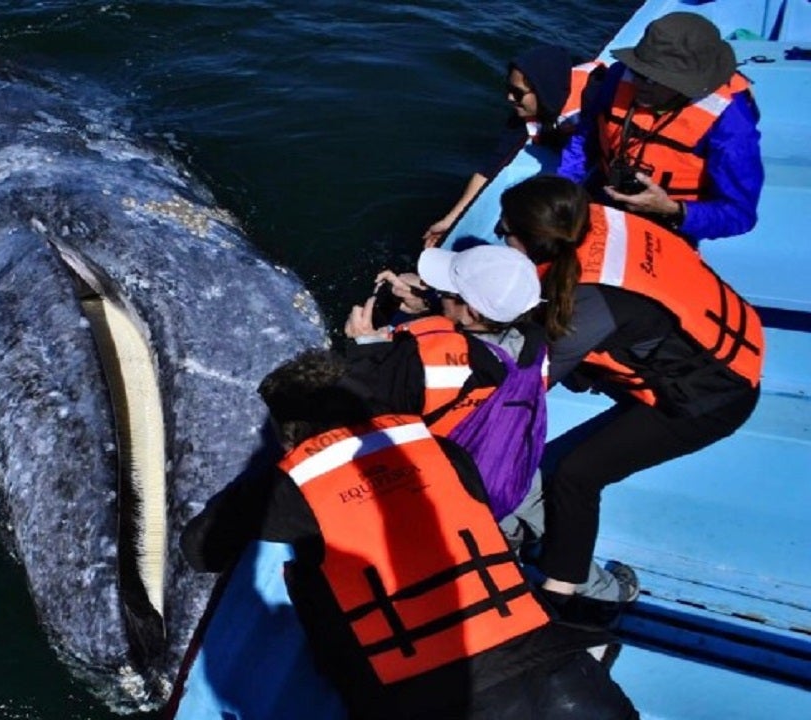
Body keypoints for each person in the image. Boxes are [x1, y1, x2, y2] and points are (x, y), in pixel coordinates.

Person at [180, 349, 639, 720]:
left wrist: (262, 479)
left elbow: (200, 549)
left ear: (289, 432)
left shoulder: (294, 486)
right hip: (565, 674)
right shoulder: (442, 450)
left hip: (445, 698)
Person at [495, 174, 763, 610]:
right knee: (555, 466)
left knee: (576, 474)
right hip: (723, 354)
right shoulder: (599, 221)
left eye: (504, 234)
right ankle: (530, 530)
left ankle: (573, 596)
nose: (499, 240)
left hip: (710, 400)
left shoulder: (590, 303)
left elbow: (524, 387)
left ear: (539, 242)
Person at [345, 245, 638, 620]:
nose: (442, 296)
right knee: (557, 528)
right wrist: (430, 305)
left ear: (472, 310)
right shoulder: (535, 344)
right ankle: (608, 593)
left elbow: (370, 401)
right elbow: (480, 346)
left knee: (484, 559)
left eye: (449, 293)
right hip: (516, 474)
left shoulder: (432, 362)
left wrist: (365, 348)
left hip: (460, 493)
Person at [558, 12, 763, 244]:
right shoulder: (617, 77)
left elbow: (739, 214)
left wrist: (673, 209)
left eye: (655, 79)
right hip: (604, 194)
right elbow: (585, 138)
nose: (641, 85)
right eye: (639, 72)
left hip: (670, 221)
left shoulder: (731, 124)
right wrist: (566, 186)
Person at [424, 44, 604, 248]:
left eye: (518, 93)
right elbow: (490, 167)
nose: (510, 98)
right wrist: (451, 220)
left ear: (543, 91)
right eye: (509, 89)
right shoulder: (523, 114)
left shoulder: (594, 101)